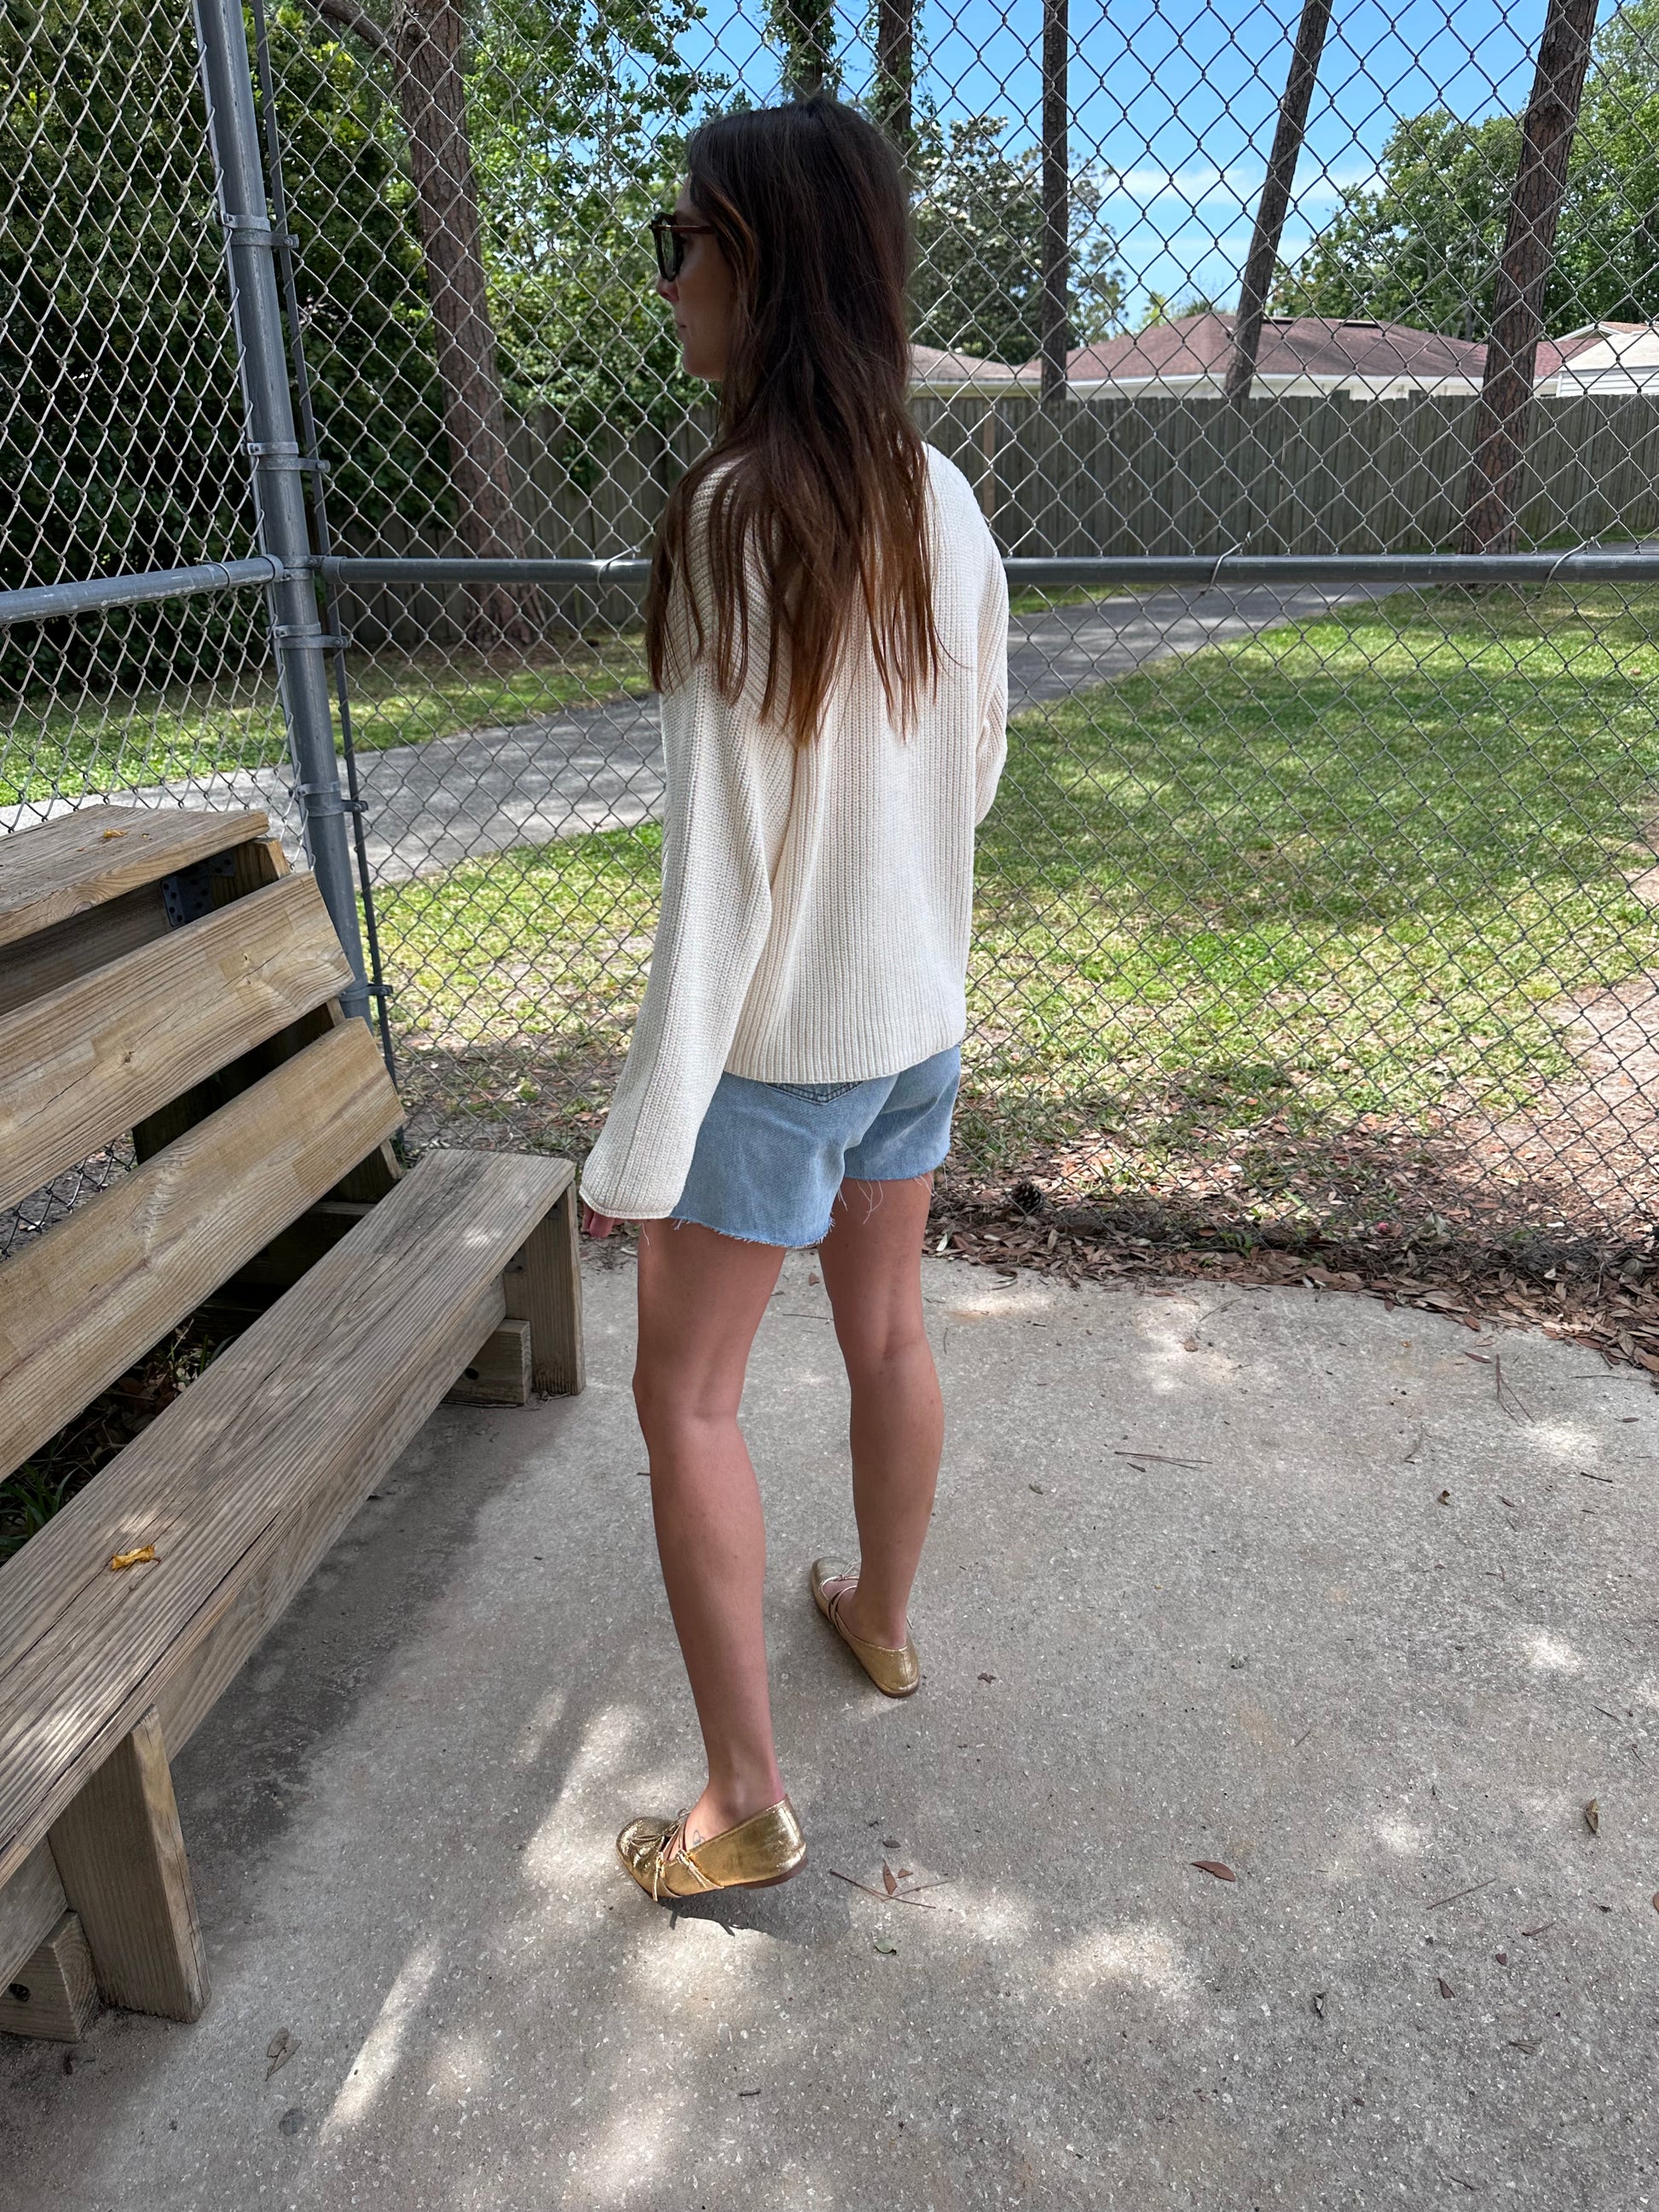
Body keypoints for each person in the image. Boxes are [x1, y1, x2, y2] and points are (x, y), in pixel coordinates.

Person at [579, 95, 1009, 1905]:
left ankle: (742, 1797)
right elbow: (973, 767)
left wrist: (642, 1137)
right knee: (891, 1326)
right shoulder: (946, 498)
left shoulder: (732, 517)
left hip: (767, 1056)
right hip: (913, 1023)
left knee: (683, 1398)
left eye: (677, 245)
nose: (664, 283)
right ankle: (884, 1618)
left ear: (753, 262)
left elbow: (720, 876)